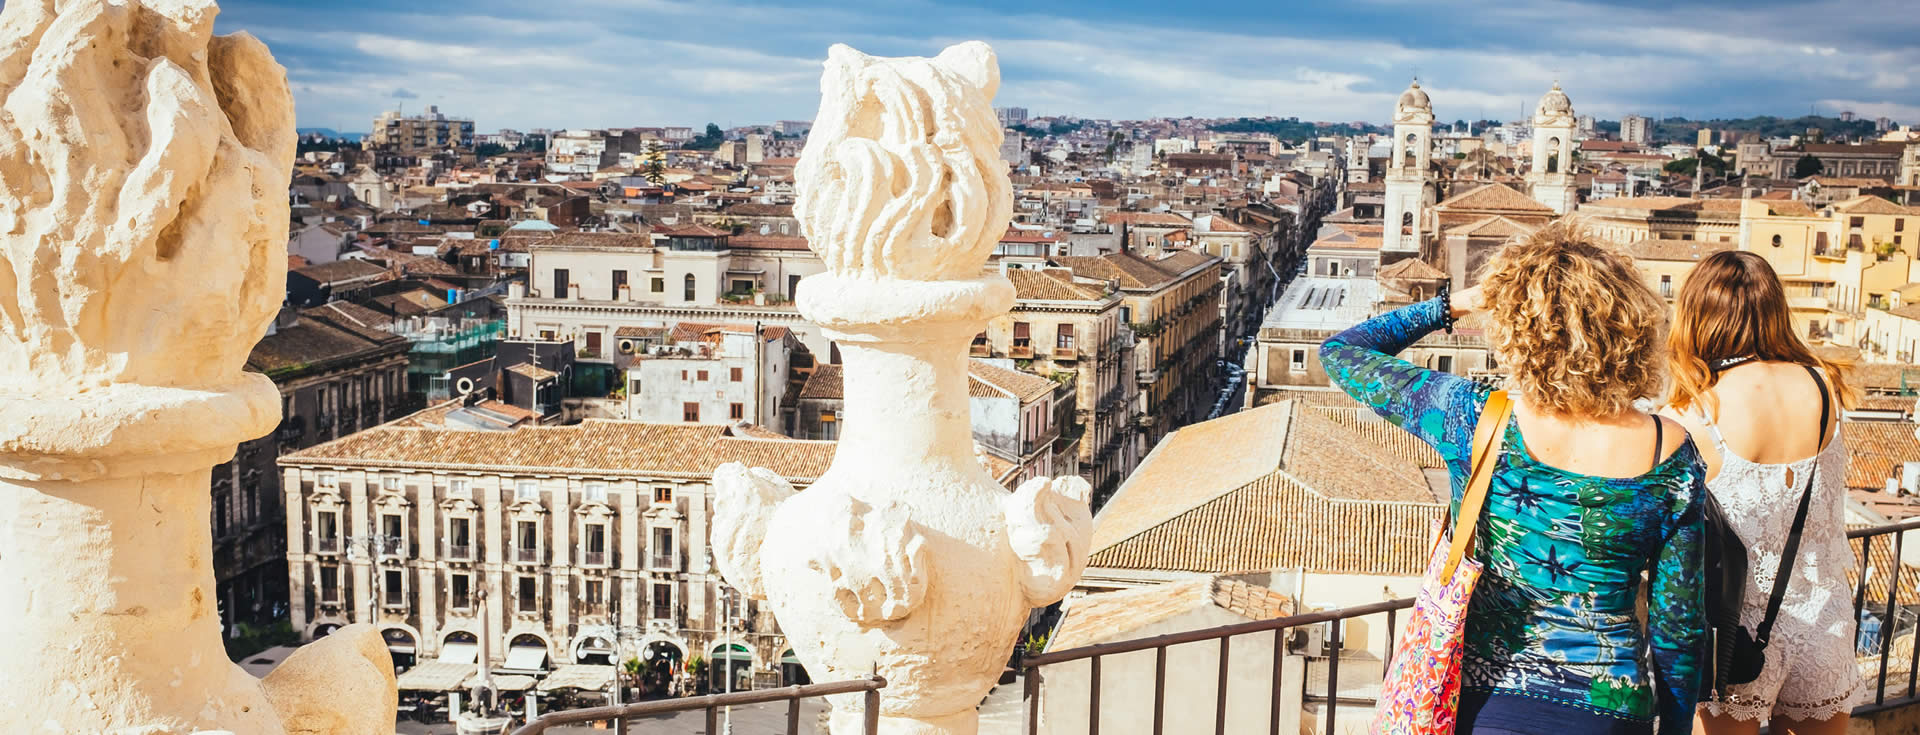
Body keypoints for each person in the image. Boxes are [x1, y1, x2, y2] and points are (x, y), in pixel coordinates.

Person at [1320, 220, 1705, 735]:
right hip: (1612, 707)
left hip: (1486, 702)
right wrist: (1676, 727)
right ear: (1630, 328)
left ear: (1516, 329)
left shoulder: (1473, 417)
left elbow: (1343, 353)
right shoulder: (1671, 450)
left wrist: (1454, 303)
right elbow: (1678, 623)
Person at [1661, 250, 1863, 735]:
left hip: (1736, 632)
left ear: (1697, 317)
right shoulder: (1824, 387)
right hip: (1824, 622)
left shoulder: (1695, 409)